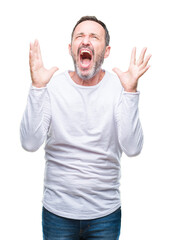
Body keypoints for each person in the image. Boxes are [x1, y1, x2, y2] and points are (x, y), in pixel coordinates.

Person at [20, 16, 151, 240]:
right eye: (79, 36)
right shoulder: (52, 86)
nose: (85, 41)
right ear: (71, 48)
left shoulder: (119, 88)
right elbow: (30, 143)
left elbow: (132, 148)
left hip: (105, 214)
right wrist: (37, 87)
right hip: (57, 212)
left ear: (106, 50)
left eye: (94, 37)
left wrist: (130, 92)